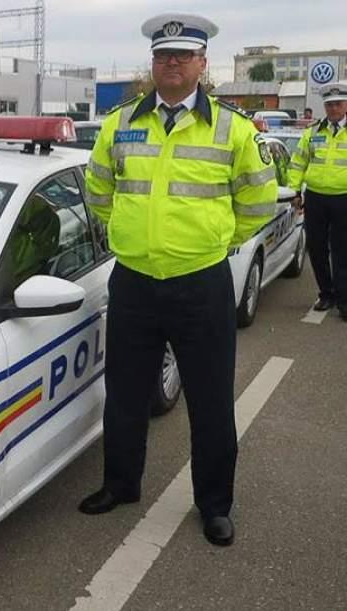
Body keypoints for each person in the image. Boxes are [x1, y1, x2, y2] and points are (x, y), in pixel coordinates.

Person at [82, 13, 278, 547]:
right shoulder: (120, 123)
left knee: (211, 402)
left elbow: (258, 200)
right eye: (163, 55)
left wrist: (215, 240)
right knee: (125, 395)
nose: (172, 63)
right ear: (153, 63)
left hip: (201, 283)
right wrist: (129, 233)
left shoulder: (233, 128)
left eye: (183, 55)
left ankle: (215, 505)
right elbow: (98, 191)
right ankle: (121, 485)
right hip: (134, 281)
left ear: (201, 64)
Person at [288, 81, 347, 319]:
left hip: (343, 199)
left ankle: (344, 300)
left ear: (346, 105)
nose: (333, 109)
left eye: (338, 104)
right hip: (315, 198)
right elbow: (298, 163)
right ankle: (326, 294)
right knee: (317, 249)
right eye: (329, 105)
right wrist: (295, 191)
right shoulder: (313, 132)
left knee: (342, 251)